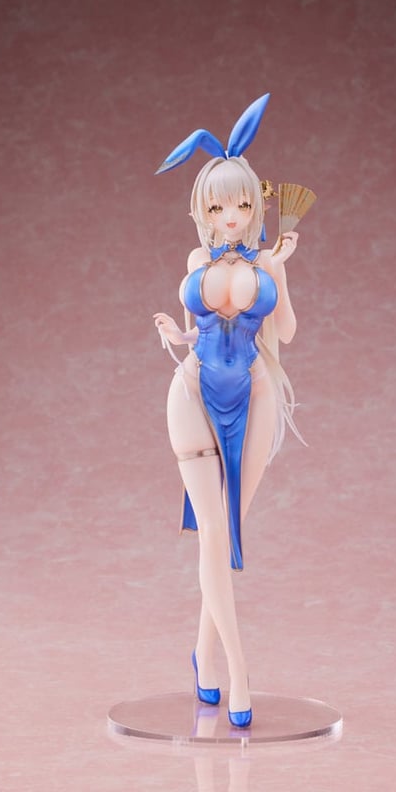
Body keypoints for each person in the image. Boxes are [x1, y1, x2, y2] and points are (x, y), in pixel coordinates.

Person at [153, 94, 300, 728]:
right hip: (191, 391)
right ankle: (237, 672)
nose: (231, 217)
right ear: (203, 211)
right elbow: (199, 331)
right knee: (214, 534)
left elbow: (285, 333)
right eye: (217, 207)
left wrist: (282, 272)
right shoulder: (196, 261)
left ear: (255, 205)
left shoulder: (266, 262)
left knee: (227, 529)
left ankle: (202, 655)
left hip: (255, 394)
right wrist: (175, 333)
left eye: (240, 205)